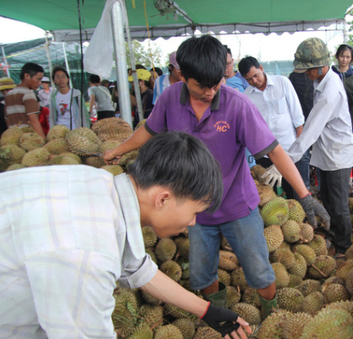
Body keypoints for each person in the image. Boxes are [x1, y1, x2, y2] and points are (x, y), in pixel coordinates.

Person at [104, 35, 329, 319]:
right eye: (202, 85)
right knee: (202, 273)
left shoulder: (238, 105)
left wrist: (306, 195)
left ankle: (270, 316)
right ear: (182, 75)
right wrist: (117, 150)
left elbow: (274, 151)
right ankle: (219, 319)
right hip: (193, 211)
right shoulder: (170, 98)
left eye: (216, 83)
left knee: (260, 271)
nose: (211, 92)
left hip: (238, 206)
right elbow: (149, 130)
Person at [0, 132, 251, 339]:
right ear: (163, 199)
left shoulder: (99, 183)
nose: (193, 223)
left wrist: (206, 310)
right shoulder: (89, 252)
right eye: (195, 212)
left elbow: (136, 267)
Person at [287, 37, 353, 257]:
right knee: (326, 198)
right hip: (327, 153)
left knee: (338, 204)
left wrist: (286, 159)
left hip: (337, 155)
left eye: (307, 70)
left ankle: (344, 246)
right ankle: (333, 235)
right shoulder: (321, 81)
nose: (305, 74)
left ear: (320, 67)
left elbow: (310, 130)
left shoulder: (330, 90)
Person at [238, 56, 309, 198]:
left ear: (261, 69)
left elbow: (298, 119)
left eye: (255, 76)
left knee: (297, 194)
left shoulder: (282, 83)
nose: (254, 81)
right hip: (265, 155)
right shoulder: (246, 97)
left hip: (290, 151)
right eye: (249, 79)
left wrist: (299, 150)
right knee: (270, 197)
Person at [4, 62, 46, 138]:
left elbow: (7, 119)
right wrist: (43, 140)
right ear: (26, 76)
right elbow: (33, 120)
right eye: (38, 79)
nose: (39, 83)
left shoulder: (8, 95)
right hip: (27, 140)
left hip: (13, 140)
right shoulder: (28, 94)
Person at [332, 44, 353, 108]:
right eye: (342, 56)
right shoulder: (331, 74)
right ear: (337, 56)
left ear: (352, 58)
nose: (344, 60)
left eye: (348, 57)